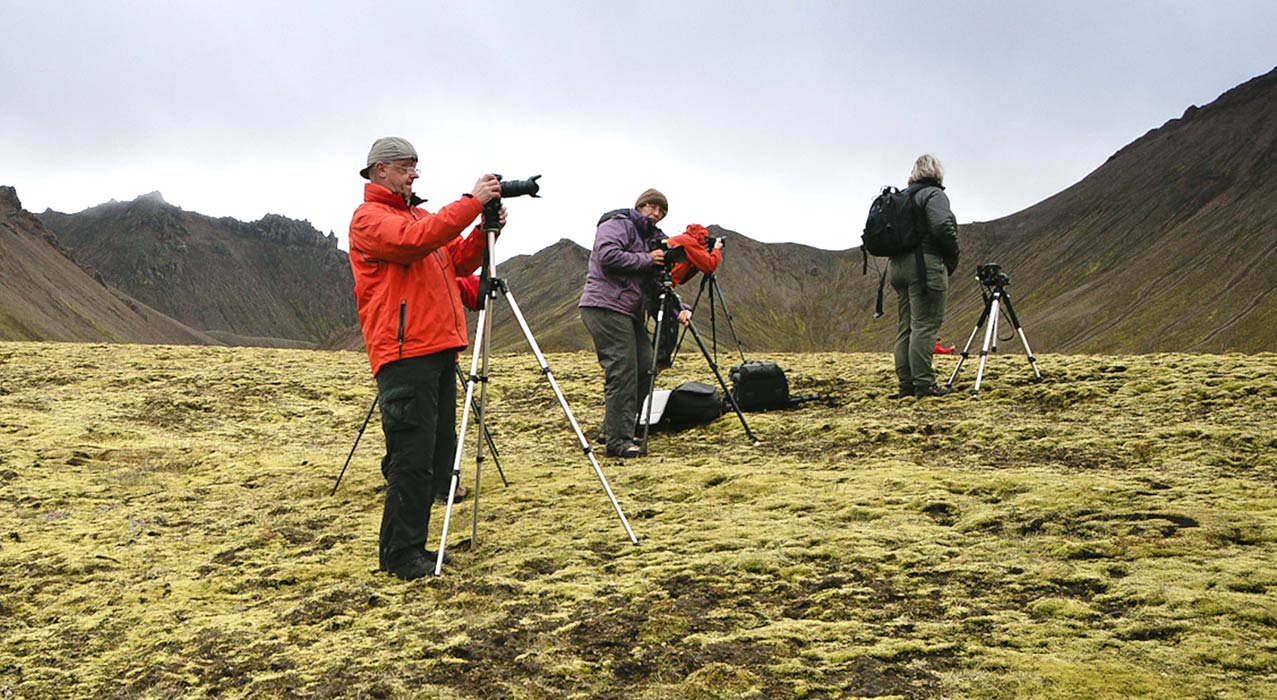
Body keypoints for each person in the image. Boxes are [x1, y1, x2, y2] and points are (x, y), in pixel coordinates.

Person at [348, 136, 504, 581]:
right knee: (410, 458)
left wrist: (483, 229)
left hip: (435, 347)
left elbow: (455, 260)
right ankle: (400, 555)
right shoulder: (370, 219)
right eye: (405, 167)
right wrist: (471, 202)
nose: (414, 174)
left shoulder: (418, 216)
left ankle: (414, 544)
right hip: (404, 351)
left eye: (415, 166)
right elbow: (416, 241)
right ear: (379, 171)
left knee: (432, 455)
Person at [579, 188, 690, 458]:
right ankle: (619, 442)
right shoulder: (618, 223)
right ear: (639, 206)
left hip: (628, 311)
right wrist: (646, 259)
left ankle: (614, 428)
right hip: (604, 305)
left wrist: (679, 308)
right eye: (651, 207)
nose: (656, 213)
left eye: (661, 211)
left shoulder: (652, 239)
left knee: (645, 364)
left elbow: (654, 282)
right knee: (623, 369)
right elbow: (607, 256)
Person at [889, 154, 960, 399]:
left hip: (897, 267)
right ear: (937, 173)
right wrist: (952, 254)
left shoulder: (902, 198)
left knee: (906, 327)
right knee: (925, 325)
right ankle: (924, 385)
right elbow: (942, 225)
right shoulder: (934, 195)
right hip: (924, 265)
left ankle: (906, 385)